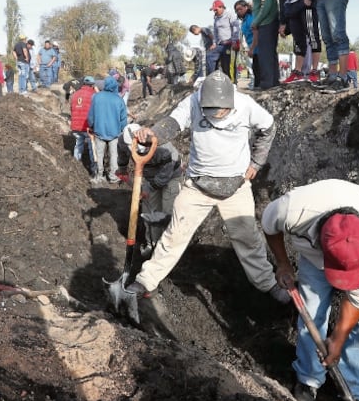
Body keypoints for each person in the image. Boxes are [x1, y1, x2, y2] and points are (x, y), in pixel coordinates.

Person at [121, 71, 289, 310]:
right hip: (198, 186)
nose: (217, 115)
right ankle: (146, 281)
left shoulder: (245, 105)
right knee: (174, 235)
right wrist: (153, 133)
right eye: (211, 111)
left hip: (236, 187)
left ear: (230, 102)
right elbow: (173, 123)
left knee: (248, 239)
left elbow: (268, 127)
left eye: (221, 111)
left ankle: (268, 284)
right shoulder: (193, 101)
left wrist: (256, 163)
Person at [262, 179, 359, 401]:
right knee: (310, 312)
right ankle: (309, 378)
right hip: (315, 256)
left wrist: (338, 337)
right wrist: (283, 263)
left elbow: (357, 302)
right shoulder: (293, 210)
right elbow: (269, 225)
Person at [122, 122, 183, 256]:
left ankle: (167, 248)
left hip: (171, 176)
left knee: (168, 212)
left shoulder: (162, 146)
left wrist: (150, 187)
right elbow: (122, 151)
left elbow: (168, 170)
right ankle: (152, 243)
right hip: (150, 178)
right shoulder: (126, 143)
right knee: (149, 212)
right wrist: (122, 169)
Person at [243, 0, 280, 90]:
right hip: (264, 22)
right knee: (268, 53)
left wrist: (256, 21)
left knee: (265, 54)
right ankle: (273, 82)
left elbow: (266, 4)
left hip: (267, 22)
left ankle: (267, 83)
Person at [87, 75, 128, 184]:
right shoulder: (119, 100)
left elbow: (91, 115)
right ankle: (113, 176)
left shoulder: (96, 97)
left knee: (99, 155)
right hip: (114, 133)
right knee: (114, 155)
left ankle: (99, 176)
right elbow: (123, 118)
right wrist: (122, 129)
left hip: (99, 131)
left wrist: (91, 126)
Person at [69, 75, 98, 176]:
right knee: (92, 147)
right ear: (92, 85)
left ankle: (76, 165)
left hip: (75, 125)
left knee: (78, 144)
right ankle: (94, 169)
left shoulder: (75, 94)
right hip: (87, 126)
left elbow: (71, 109)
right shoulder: (93, 95)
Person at [207, 0, 239, 78]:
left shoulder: (229, 14)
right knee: (209, 55)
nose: (214, 11)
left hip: (230, 44)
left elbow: (236, 27)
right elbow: (215, 31)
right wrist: (214, 43)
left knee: (227, 65)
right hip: (220, 44)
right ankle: (213, 77)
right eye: (213, 10)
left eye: (216, 9)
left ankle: (231, 82)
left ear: (221, 7)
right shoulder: (216, 17)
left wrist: (234, 41)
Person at [233, 0, 255, 88]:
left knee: (253, 68)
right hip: (248, 48)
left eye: (240, 9)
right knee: (249, 68)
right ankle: (251, 85)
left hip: (255, 47)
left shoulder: (251, 18)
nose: (238, 11)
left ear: (246, 7)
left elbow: (256, 33)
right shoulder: (243, 21)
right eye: (236, 10)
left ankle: (255, 85)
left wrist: (252, 48)